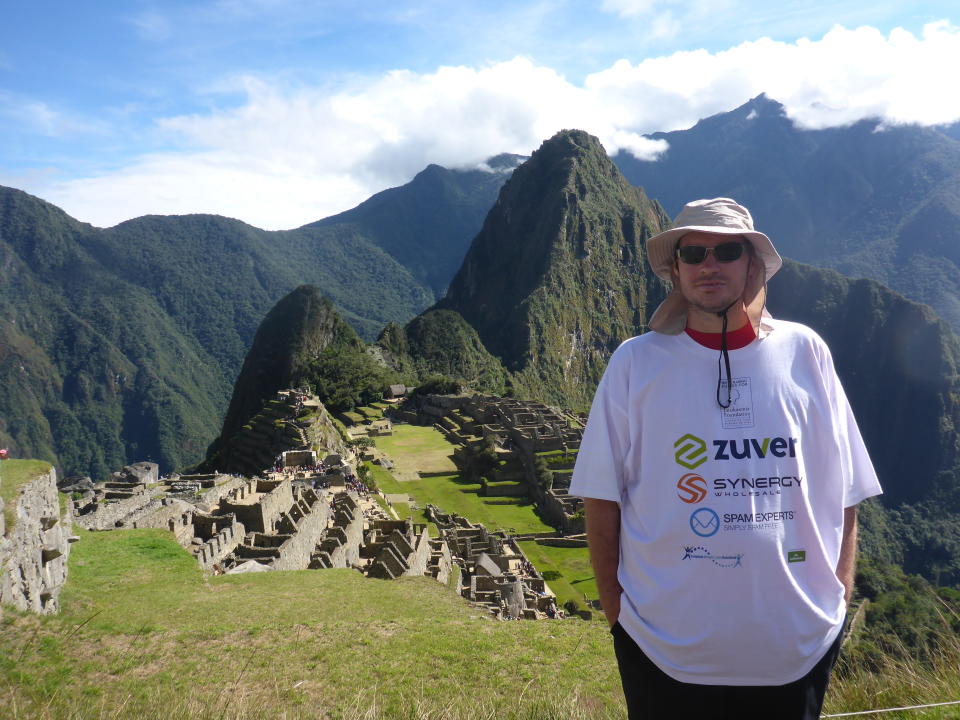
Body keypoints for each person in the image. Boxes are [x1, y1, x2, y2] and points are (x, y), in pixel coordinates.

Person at [570, 198, 882, 720]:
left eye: (726, 251)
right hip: (662, 648)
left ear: (752, 264)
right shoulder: (636, 363)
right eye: (692, 253)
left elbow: (844, 486)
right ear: (675, 269)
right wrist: (617, 613)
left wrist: (838, 594)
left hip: (796, 644)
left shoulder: (806, 353)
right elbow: (602, 495)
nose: (708, 265)